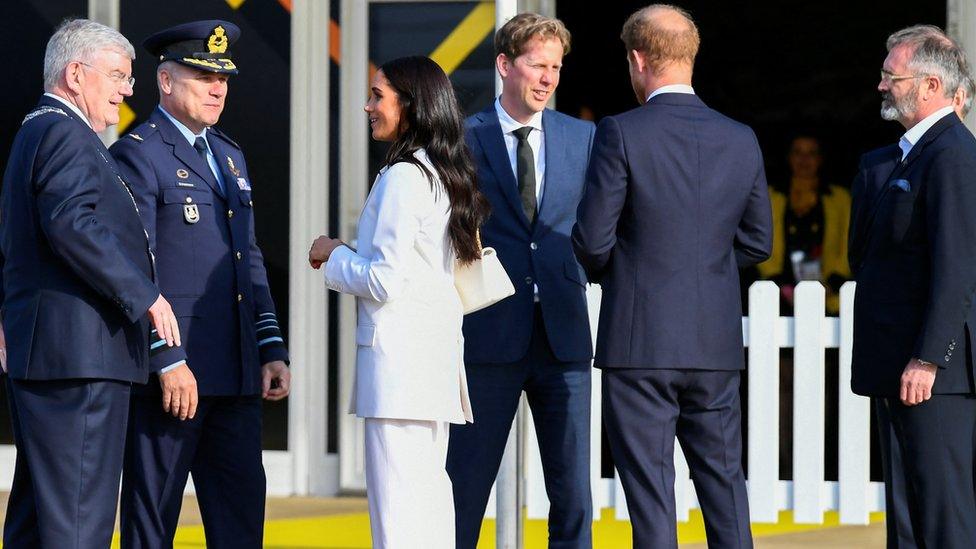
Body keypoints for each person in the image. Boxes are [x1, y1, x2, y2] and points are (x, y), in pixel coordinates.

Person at [572, 5, 771, 548]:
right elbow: (758, 242)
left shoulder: (621, 131)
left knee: (652, 495)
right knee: (725, 489)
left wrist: (631, 271)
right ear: (691, 56)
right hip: (715, 342)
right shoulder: (740, 137)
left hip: (639, 342)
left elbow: (591, 241)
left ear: (638, 60)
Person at [0, 19, 183, 548]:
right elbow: (71, 223)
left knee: (43, 521)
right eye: (119, 76)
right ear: (75, 75)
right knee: (79, 522)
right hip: (79, 358)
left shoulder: (41, 129)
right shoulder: (61, 130)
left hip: (58, 356)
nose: (128, 90)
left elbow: (24, 239)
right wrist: (145, 295)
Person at [109, 20, 291, 548]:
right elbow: (133, 268)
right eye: (201, 76)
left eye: (224, 79)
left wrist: (270, 347)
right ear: (165, 82)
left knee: (240, 524)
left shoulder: (229, 155)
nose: (218, 89)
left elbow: (247, 259)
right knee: (153, 525)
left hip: (235, 375)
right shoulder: (138, 153)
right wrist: (166, 359)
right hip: (175, 381)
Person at [308, 56, 488, 548]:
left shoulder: (405, 177)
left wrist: (334, 254)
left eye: (377, 96)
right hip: (429, 370)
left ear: (410, 106)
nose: (368, 106)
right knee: (427, 506)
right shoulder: (443, 173)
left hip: (400, 374)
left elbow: (385, 280)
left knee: (399, 518)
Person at [445, 13, 596, 549]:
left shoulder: (583, 137)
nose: (549, 78)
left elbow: (601, 227)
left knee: (574, 494)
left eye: (556, 67)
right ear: (505, 65)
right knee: (465, 487)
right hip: (488, 334)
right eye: (538, 65)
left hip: (564, 337)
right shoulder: (463, 138)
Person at [849, 24, 976, 548]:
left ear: (929, 85)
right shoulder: (907, 154)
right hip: (900, 367)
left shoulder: (953, 156)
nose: (882, 86)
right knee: (906, 516)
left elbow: (958, 266)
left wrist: (929, 357)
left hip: (931, 374)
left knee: (942, 516)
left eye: (890, 76)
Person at [757, 134, 851, 314]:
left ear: (821, 159)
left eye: (811, 153)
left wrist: (833, 283)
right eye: (798, 152)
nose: (804, 159)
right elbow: (760, 239)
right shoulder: (771, 196)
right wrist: (779, 283)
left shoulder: (840, 198)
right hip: (779, 295)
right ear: (789, 157)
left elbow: (849, 242)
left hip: (829, 295)